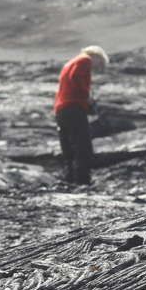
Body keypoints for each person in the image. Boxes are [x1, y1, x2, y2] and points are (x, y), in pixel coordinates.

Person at [53, 45, 109, 185]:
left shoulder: (70, 63)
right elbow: (77, 77)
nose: (95, 68)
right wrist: (87, 97)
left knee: (68, 148)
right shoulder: (85, 60)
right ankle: (83, 181)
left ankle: (70, 179)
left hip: (61, 109)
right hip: (74, 108)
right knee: (83, 147)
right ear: (96, 56)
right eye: (99, 64)